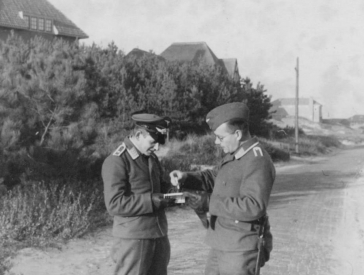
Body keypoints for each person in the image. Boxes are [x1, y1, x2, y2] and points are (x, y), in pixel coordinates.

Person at [170, 102, 275, 275]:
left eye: (220, 137)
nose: (216, 142)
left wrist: (209, 202)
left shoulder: (257, 160)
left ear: (238, 134)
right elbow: (214, 177)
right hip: (221, 240)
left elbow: (253, 206)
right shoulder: (235, 154)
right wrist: (187, 177)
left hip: (240, 247)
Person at [102, 113, 176, 275]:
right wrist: (152, 201)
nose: (156, 148)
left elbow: (156, 188)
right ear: (138, 135)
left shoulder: (150, 157)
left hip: (158, 234)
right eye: (153, 142)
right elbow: (114, 204)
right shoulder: (117, 161)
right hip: (133, 238)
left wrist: (173, 189)